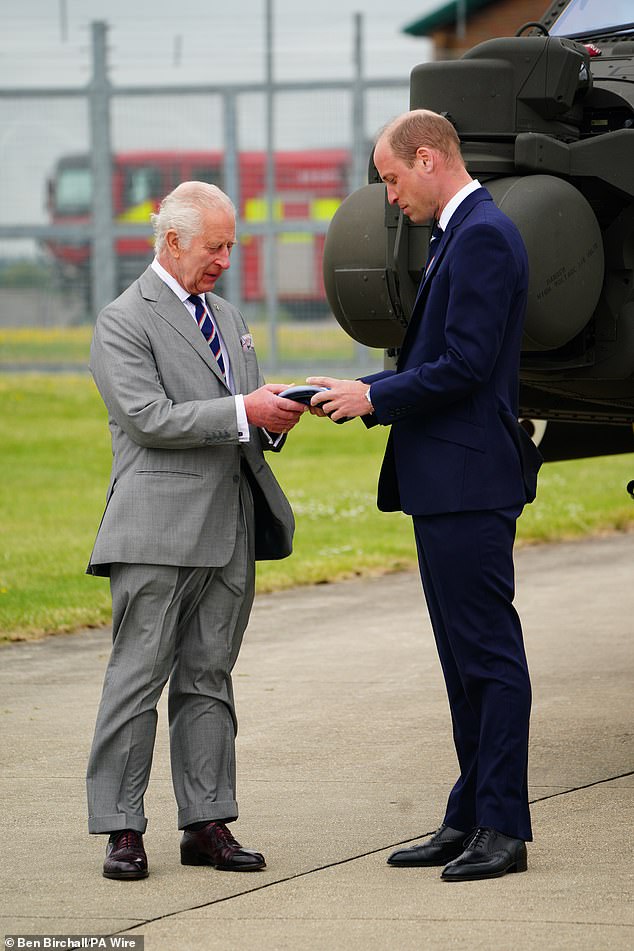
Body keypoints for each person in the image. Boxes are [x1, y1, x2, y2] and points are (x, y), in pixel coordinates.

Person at [308, 109, 542, 882]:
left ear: (429, 158)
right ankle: (469, 813)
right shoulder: (460, 231)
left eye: (391, 178)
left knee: (488, 657)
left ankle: (502, 826)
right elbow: (441, 361)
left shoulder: (478, 234)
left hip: (469, 483)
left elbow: (467, 366)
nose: (389, 196)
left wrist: (375, 399)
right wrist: (358, 388)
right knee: (461, 660)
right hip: (448, 483)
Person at [86, 180, 307, 880]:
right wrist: (245, 408)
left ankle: (206, 821)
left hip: (230, 529)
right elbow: (149, 417)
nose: (223, 260)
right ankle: (121, 828)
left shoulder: (228, 314)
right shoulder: (124, 320)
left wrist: (273, 415)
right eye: (213, 248)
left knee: (209, 679)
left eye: (229, 248)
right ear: (172, 240)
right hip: (156, 533)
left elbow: (243, 412)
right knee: (137, 680)